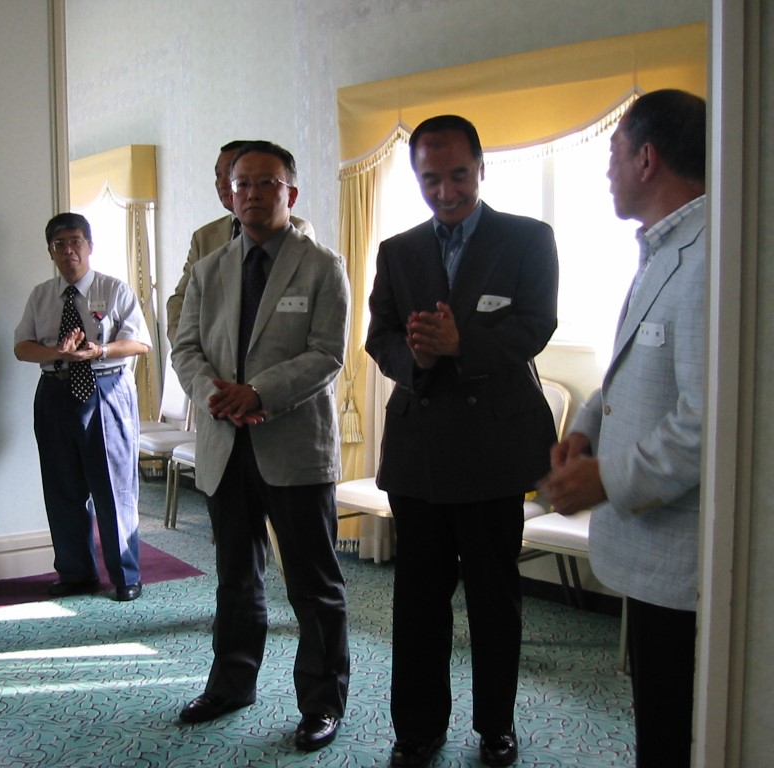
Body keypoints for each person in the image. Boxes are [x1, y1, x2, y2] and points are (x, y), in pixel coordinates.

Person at [365, 116, 559, 768]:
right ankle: (418, 728)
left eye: (457, 175)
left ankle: (496, 724)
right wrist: (416, 357)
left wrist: (461, 344)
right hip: (419, 450)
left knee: (493, 598)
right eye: (431, 179)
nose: (445, 192)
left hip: (494, 449)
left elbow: (536, 325)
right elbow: (380, 336)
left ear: (480, 168)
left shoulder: (527, 239)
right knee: (418, 600)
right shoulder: (398, 250)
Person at [537, 89, 706, 768]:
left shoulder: (711, 257)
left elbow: (706, 419)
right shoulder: (662, 248)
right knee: (655, 714)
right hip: (649, 548)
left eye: (613, 152)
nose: (607, 171)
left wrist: (607, 478)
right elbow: (632, 368)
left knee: (674, 725)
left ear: (646, 158)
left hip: (683, 558)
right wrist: (585, 428)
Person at [171, 140, 350, 752]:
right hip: (226, 445)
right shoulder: (209, 268)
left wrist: (258, 393)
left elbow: (327, 354)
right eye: (241, 183)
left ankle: (321, 703)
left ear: (290, 193)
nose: (251, 194)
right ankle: (230, 684)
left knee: (313, 584)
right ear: (230, 192)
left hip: (294, 446)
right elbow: (185, 347)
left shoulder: (322, 266)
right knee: (235, 577)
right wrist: (214, 395)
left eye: (266, 183)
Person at [14, 212, 151, 602]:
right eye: (59, 244)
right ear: (50, 252)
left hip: (106, 390)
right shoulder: (41, 295)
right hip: (55, 391)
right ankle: (76, 573)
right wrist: (58, 352)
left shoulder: (115, 289)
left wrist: (100, 350)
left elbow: (140, 343)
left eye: (75, 242)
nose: (68, 250)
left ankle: (125, 574)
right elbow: (22, 347)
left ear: (89, 246)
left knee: (113, 487)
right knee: (62, 487)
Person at [165, 139, 314, 346]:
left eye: (230, 173)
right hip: (211, 357)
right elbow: (180, 300)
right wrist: (185, 348)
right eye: (218, 175)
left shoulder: (297, 231)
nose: (222, 183)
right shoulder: (205, 237)